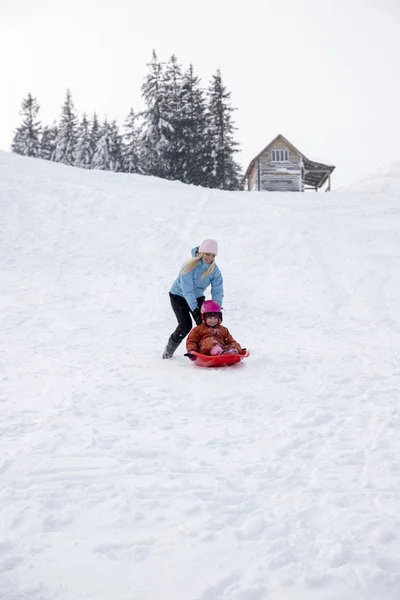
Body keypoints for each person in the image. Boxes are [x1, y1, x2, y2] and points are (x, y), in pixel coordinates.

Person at [162, 239, 224, 359]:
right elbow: (187, 290)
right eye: (207, 254)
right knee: (185, 325)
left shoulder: (214, 270)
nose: (209, 258)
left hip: (197, 296)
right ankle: (168, 351)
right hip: (178, 296)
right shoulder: (189, 266)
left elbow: (218, 289)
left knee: (205, 323)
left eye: (212, 255)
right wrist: (195, 309)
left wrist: (217, 309)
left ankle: (208, 349)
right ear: (201, 253)